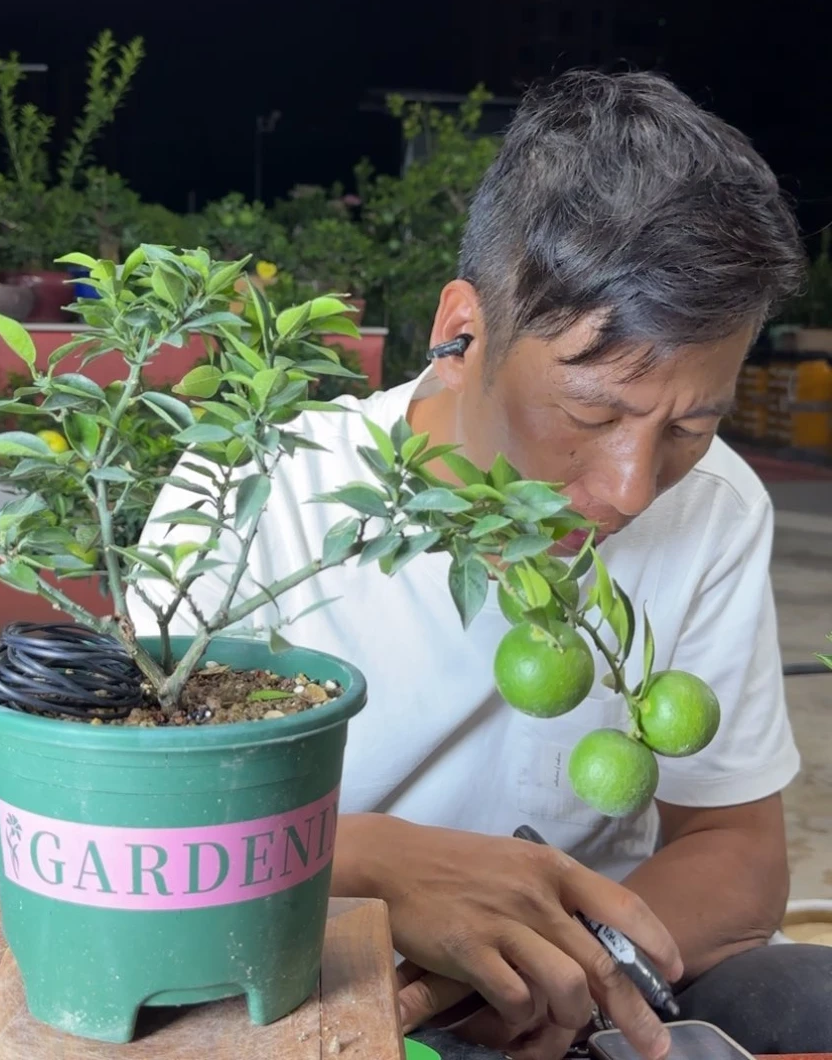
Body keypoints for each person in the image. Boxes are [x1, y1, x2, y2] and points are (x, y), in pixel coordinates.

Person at [129, 70, 832, 1060]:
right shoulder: (248, 496)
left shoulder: (714, 507)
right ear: (463, 332)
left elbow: (737, 851)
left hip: (572, 990)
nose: (633, 488)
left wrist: (562, 967)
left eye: (691, 426)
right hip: (291, 961)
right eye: (594, 414)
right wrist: (372, 865)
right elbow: (133, 838)